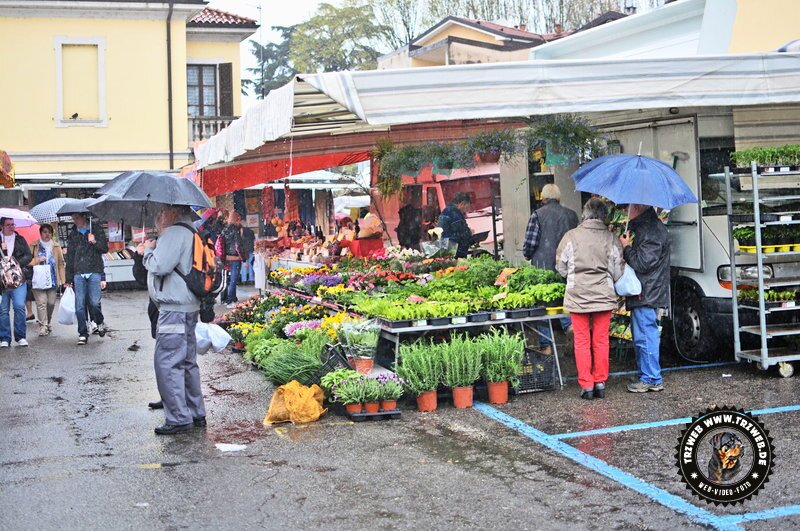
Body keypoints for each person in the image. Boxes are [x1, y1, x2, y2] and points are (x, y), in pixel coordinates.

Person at [139, 204, 206, 435]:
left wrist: (148, 251)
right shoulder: (192, 232)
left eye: (162, 211)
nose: (160, 215)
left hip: (174, 308)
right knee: (187, 362)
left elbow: (159, 266)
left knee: (167, 362)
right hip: (189, 306)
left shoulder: (175, 233)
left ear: (173, 211)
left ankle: (178, 417)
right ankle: (195, 412)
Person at [556, 198, 625, 400]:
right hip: (603, 295)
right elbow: (618, 271)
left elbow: (560, 267)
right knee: (601, 340)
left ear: (584, 214)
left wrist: (574, 276)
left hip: (578, 295)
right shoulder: (611, 238)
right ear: (604, 216)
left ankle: (586, 385)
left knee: (582, 340)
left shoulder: (571, 236)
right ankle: (600, 382)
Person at [620, 204, 671, 393]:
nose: (627, 211)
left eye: (629, 207)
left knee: (645, 335)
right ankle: (646, 374)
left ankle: (652, 378)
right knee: (642, 334)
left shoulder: (651, 231)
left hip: (647, 291)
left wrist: (626, 248)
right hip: (647, 289)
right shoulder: (648, 227)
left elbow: (643, 263)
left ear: (638, 207)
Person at [523, 184, 579, 354]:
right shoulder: (572, 215)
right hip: (568, 265)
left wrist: (527, 254)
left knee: (544, 305)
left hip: (543, 267)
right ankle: (569, 326)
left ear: (543, 198)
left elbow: (531, 242)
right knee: (565, 299)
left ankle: (546, 346)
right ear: (559, 198)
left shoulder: (537, 215)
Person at [64, 213, 109, 345]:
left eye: (77, 218)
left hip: (94, 270)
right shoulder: (73, 234)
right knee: (79, 305)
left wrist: (94, 241)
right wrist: (68, 279)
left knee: (94, 302)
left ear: (83, 217)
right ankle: (82, 333)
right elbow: (70, 257)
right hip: (79, 272)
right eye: (73, 218)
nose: (75, 221)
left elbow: (105, 248)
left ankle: (99, 321)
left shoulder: (96, 229)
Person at [0, 217, 33, 347]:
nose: (11, 227)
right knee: (3, 309)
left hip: (18, 279)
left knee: (19, 306)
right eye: (8, 225)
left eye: (13, 224)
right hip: (2, 281)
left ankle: (20, 336)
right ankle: (4, 338)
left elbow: (29, 255)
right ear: (2, 226)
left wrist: (16, 263)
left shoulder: (20, 239)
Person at [29, 224, 66, 336]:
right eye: (45, 232)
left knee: (51, 303)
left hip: (53, 279)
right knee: (41, 303)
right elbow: (27, 261)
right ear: (40, 233)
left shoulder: (56, 246)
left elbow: (61, 263)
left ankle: (48, 321)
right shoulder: (34, 245)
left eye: (49, 232)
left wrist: (63, 280)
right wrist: (37, 260)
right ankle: (43, 326)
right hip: (38, 279)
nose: (47, 234)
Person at [216, 210, 244, 307]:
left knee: (227, 279)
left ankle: (226, 298)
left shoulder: (224, 229)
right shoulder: (235, 230)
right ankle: (230, 300)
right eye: (239, 219)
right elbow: (238, 245)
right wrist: (243, 258)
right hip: (235, 257)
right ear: (236, 219)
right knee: (233, 280)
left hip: (226, 257)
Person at [438, 192, 473, 258]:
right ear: (462, 204)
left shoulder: (445, 211)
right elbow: (463, 235)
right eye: (466, 207)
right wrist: (470, 233)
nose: (466, 211)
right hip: (456, 251)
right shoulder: (455, 214)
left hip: (445, 249)